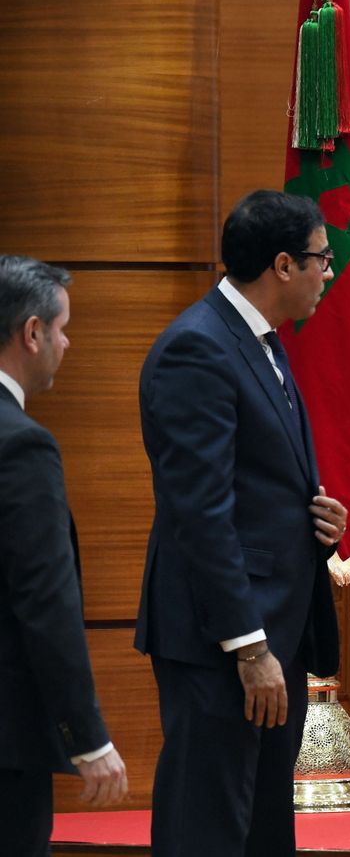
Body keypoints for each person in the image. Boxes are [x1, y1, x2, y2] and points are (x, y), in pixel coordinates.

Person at [136, 190, 348, 854]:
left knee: (261, 829)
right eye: (322, 258)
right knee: (206, 826)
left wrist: (315, 518)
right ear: (283, 265)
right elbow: (199, 512)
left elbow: (254, 483)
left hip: (274, 630)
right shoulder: (196, 348)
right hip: (223, 641)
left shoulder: (261, 342)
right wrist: (249, 648)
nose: (330, 272)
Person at [0, 256, 129, 854]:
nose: (67, 342)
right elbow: (45, 602)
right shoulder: (21, 446)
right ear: (32, 332)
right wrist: (88, 737)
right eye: (62, 328)